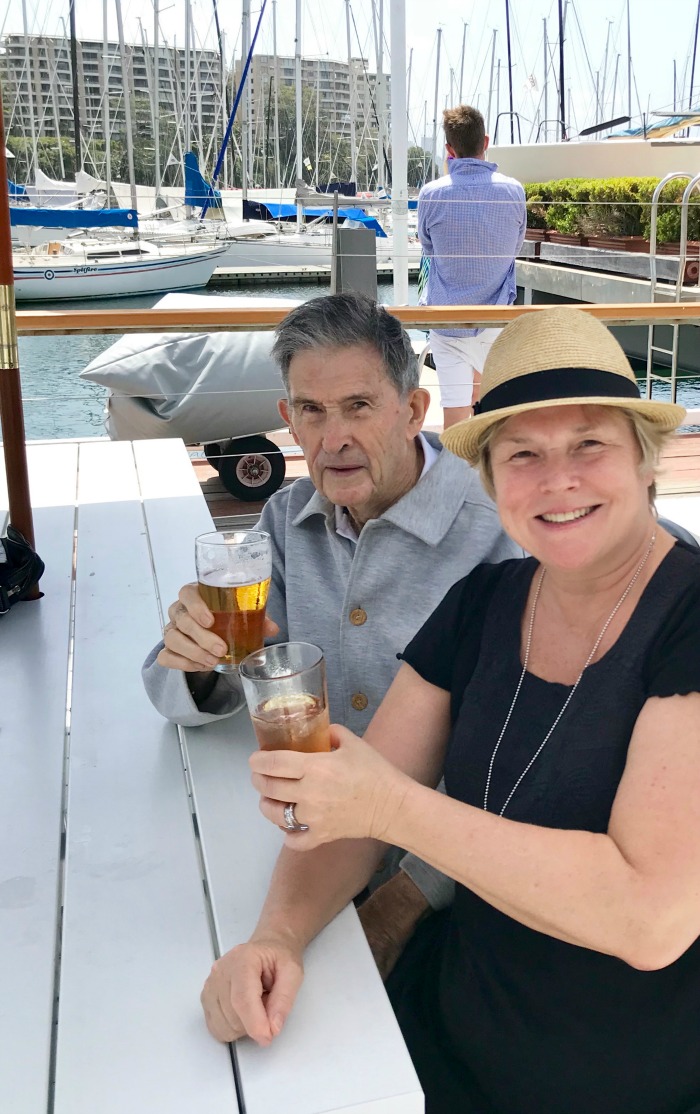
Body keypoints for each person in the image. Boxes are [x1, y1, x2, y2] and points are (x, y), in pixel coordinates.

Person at [202, 306, 700, 1114]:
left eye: (589, 447)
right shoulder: (485, 602)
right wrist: (277, 938)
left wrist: (395, 807)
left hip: (621, 1072)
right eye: (524, 455)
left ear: (645, 462)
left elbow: (651, 917)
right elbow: (358, 813)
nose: (557, 480)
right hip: (447, 1027)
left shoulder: (685, 614)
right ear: (493, 479)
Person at [143, 291, 521, 953]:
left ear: (412, 411)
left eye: (358, 407)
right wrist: (199, 661)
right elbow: (194, 694)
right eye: (312, 412)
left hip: (457, 875)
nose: (333, 437)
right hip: (306, 837)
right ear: (288, 418)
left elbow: (525, 756)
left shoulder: (497, 533)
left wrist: (408, 896)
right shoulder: (287, 522)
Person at [418, 104, 526, 429]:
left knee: (454, 412)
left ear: (449, 150)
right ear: (486, 141)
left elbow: (427, 247)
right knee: (492, 412)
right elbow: (515, 247)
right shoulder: (513, 190)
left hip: (447, 320)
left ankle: (456, 474)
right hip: (495, 317)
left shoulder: (431, 194)